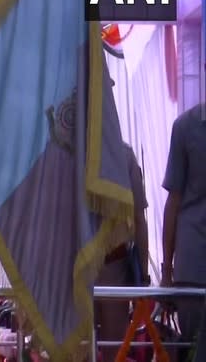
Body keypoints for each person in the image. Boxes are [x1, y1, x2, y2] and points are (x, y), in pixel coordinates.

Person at [94, 142, 150, 362]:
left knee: (108, 348)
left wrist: (143, 275)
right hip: (99, 264)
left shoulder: (124, 155)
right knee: (111, 350)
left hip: (110, 264)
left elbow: (139, 218)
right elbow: (139, 219)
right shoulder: (123, 154)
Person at [161, 103, 206, 360]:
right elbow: (174, 201)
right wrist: (166, 272)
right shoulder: (185, 127)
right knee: (193, 349)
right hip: (194, 265)